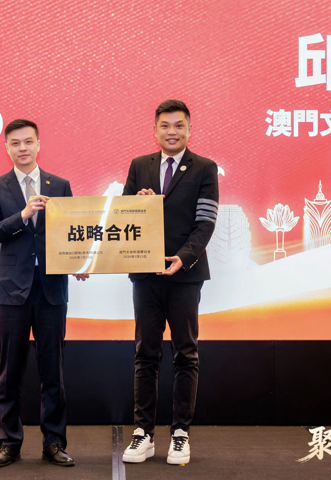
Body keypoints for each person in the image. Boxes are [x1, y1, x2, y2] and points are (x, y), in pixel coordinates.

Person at [0, 118, 88, 468]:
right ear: (7, 148)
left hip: (51, 289)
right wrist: (23, 215)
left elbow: (71, 232)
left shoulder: (60, 185)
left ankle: (54, 442)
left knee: (52, 371)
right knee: (9, 372)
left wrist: (78, 261)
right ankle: (9, 442)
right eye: (15, 143)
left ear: (39, 144)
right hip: (11, 291)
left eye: (28, 141)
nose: (22, 148)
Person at [121, 99, 219, 466]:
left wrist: (183, 257)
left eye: (179, 125)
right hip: (145, 274)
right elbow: (122, 215)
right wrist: (137, 203)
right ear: (155, 130)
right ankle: (143, 433)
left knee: (185, 353)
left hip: (186, 275)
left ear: (189, 130)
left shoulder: (205, 168)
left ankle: (180, 433)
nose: (172, 132)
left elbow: (205, 222)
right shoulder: (139, 166)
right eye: (165, 125)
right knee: (145, 353)